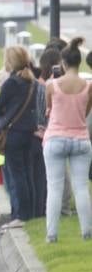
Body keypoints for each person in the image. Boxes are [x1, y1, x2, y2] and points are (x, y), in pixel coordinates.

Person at [0, 47, 43, 229]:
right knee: (27, 175)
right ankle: (28, 213)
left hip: (9, 137)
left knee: (14, 176)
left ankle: (19, 215)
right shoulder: (33, 82)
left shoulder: (12, 83)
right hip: (29, 135)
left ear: (10, 61)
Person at [41, 38, 92, 242]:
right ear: (79, 62)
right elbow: (85, 111)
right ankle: (86, 231)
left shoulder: (52, 85)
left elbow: (48, 110)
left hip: (56, 138)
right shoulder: (88, 86)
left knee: (54, 187)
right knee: (81, 187)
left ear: (63, 63)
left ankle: (52, 234)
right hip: (80, 139)